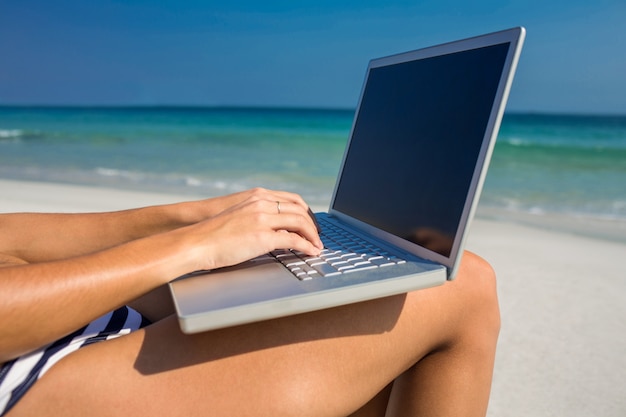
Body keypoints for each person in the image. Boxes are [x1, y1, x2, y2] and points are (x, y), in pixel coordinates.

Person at [0, 187, 499, 417]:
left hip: (51, 313)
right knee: (462, 285)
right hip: (25, 374)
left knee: (370, 296)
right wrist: (191, 246)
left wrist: (201, 217)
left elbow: (12, 240)